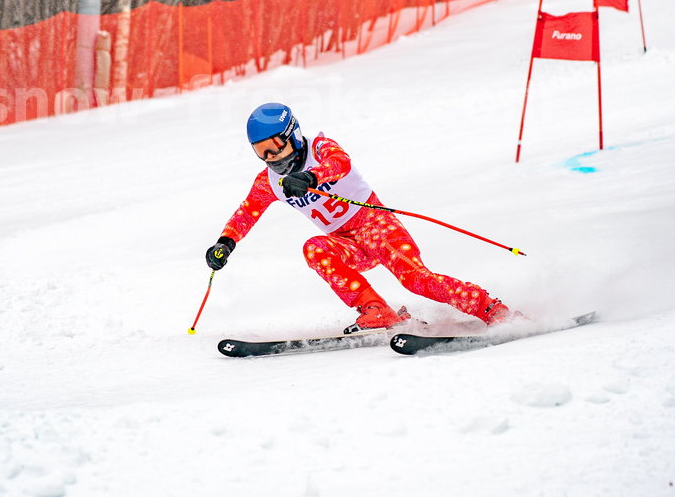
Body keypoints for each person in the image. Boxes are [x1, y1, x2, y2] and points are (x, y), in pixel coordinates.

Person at [206, 102, 517, 333]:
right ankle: (377, 309)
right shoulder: (270, 181)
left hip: (377, 227)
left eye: (275, 146)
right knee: (315, 248)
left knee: (417, 281)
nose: (271, 158)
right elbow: (247, 212)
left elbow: (340, 163)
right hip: (346, 243)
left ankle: (491, 308)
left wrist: (313, 177)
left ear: (294, 135)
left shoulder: (320, 147)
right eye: (261, 152)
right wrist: (225, 244)